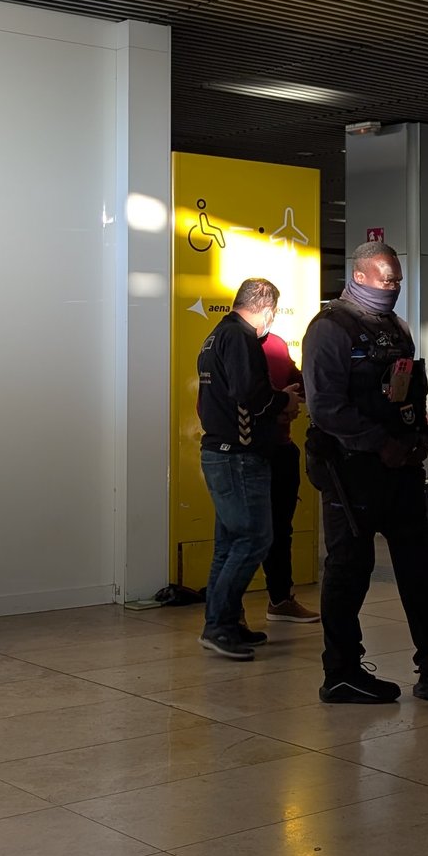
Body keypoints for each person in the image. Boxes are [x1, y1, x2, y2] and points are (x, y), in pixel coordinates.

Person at [301, 241, 428, 704]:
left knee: (420, 569)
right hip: (351, 470)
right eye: (387, 280)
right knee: (350, 570)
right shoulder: (329, 329)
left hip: (400, 470)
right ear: (361, 276)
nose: (394, 287)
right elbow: (326, 408)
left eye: (398, 281)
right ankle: (341, 673)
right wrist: (378, 443)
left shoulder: (396, 327)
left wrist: (419, 436)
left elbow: (406, 391)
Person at [196, 278, 303, 659]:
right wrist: (283, 402)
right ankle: (220, 624)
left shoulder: (215, 336)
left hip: (219, 452)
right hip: (240, 456)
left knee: (229, 543)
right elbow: (250, 394)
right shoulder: (241, 338)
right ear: (267, 308)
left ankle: (223, 624)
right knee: (255, 538)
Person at [259, 327, 319, 625]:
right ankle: (230, 614)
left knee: (281, 530)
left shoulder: (278, 345)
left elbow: (299, 383)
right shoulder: (238, 344)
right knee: (246, 534)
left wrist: (293, 397)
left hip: (282, 449)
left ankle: (280, 599)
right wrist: (279, 405)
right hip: (253, 452)